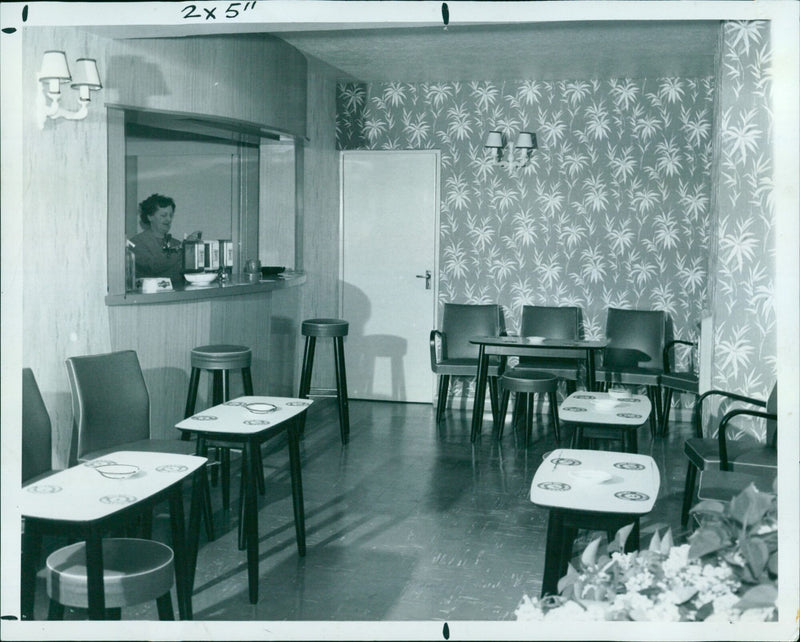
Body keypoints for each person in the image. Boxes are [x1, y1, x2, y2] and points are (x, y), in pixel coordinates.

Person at [129, 193, 200, 283]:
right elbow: (153, 267)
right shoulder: (136, 243)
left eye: (171, 215)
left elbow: (188, 273)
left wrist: (193, 249)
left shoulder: (176, 243)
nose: (169, 219)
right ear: (150, 217)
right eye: (163, 215)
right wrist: (182, 248)